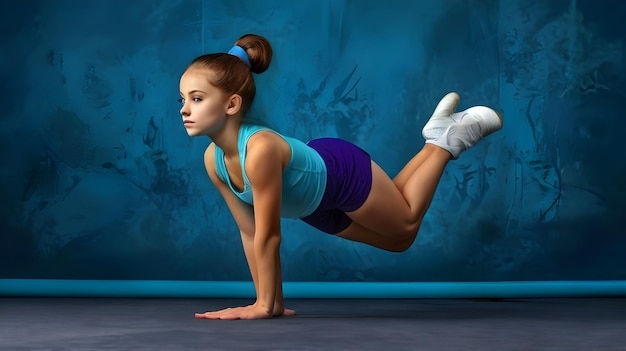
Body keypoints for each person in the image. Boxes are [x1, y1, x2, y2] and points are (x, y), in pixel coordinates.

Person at [179, 34, 503, 320]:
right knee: (400, 241)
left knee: (405, 222)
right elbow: (250, 234)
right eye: (183, 99)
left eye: (196, 98)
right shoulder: (214, 160)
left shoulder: (260, 148)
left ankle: (445, 144)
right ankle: (437, 137)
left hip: (337, 172)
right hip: (311, 208)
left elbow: (269, 235)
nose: (184, 109)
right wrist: (272, 303)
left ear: (232, 104)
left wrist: (261, 305)